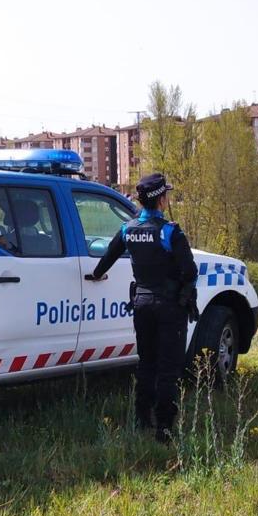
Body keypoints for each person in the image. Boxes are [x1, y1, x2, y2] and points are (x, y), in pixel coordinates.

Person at [88, 172, 198, 442]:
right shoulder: (170, 231)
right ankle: (163, 427)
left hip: (142, 305)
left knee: (146, 363)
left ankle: (141, 419)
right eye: (166, 195)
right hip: (169, 306)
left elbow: (107, 259)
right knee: (168, 368)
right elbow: (190, 271)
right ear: (161, 199)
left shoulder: (128, 229)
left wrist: (96, 274)